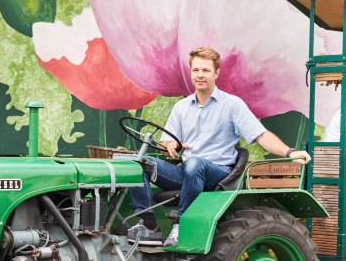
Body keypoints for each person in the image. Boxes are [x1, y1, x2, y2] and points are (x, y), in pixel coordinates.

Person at [128, 46, 311, 247]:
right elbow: (165, 142)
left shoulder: (232, 105)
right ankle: (148, 225)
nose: (200, 75)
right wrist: (170, 145)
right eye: (196, 70)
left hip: (218, 172)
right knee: (137, 164)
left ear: (216, 73)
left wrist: (290, 152)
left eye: (206, 70)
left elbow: (261, 135)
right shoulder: (181, 107)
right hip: (187, 171)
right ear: (190, 72)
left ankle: (182, 224)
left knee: (195, 164)